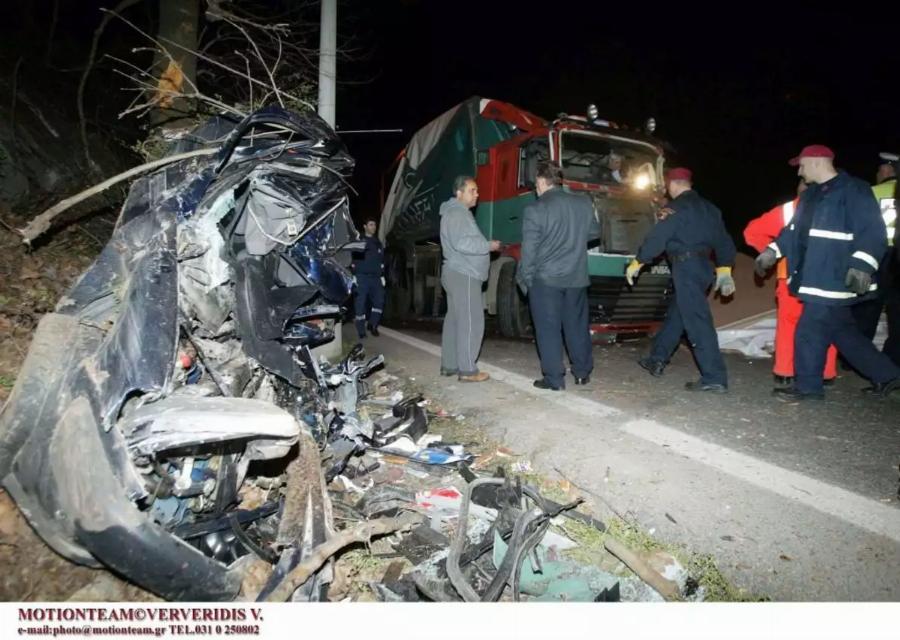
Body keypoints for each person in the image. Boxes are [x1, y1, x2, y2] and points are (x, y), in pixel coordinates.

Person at [755, 145, 900, 400]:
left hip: (835, 278)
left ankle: (808, 388)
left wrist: (862, 265)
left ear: (816, 162)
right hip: (813, 276)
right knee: (843, 333)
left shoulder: (854, 190)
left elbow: (873, 232)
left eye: (801, 165)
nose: (799, 170)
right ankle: (889, 376)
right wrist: (771, 251)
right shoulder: (811, 196)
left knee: (809, 331)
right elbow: (792, 232)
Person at [628, 167, 737, 392]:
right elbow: (724, 241)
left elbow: (658, 236)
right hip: (705, 268)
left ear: (672, 184)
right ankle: (657, 358)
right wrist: (725, 270)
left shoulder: (675, 208)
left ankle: (714, 377)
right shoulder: (710, 209)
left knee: (697, 320)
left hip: (686, 266)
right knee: (679, 314)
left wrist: (639, 261)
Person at [744, 179, 838, 387]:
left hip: (789, 277)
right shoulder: (836, 207)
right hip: (826, 277)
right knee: (826, 324)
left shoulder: (787, 210)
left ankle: (785, 372)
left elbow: (752, 232)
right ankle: (826, 372)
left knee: (789, 325)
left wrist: (771, 253)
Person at [516, 161, 599, 390]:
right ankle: (582, 373)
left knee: (548, 328)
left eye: (536, 185)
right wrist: (572, 238)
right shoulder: (583, 203)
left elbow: (529, 250)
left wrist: (525, 279)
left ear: (542, 181)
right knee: (577, 326)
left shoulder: (535, 209)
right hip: (576, 277)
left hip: (547, 280)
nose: (536, 189)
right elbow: (595, 232)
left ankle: (554, 379)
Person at [439, 176, 501, 382]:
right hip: (464, 273)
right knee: (471, 321)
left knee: (455, 320)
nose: (477, 194)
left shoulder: (454, 212)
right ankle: (467, 370)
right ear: (459, 193)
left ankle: (450, 365)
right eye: (472, 190)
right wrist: (488, 245)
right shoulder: (457, 213)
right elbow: (462, 243)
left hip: (456, 271)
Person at [849, 152, 899, 366]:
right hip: (896, 257)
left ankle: (856, 359)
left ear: (887, 171)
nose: (878, 174)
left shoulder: (873, 192)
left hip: (877, 255)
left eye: (880, 171)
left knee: (867, 307)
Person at [351, 217, 385, 339]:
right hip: (362, 277)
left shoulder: (377, 242)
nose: (373, 227)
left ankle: (373, 325)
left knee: (379, 301)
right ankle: (361, 330)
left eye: (374, 225)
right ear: (365, 226)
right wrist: (353, 274)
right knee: (360, 305)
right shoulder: (359, 241)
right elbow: (352, 258)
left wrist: (382, 275)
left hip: (376, 278)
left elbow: (381, 260)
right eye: (371, 225)